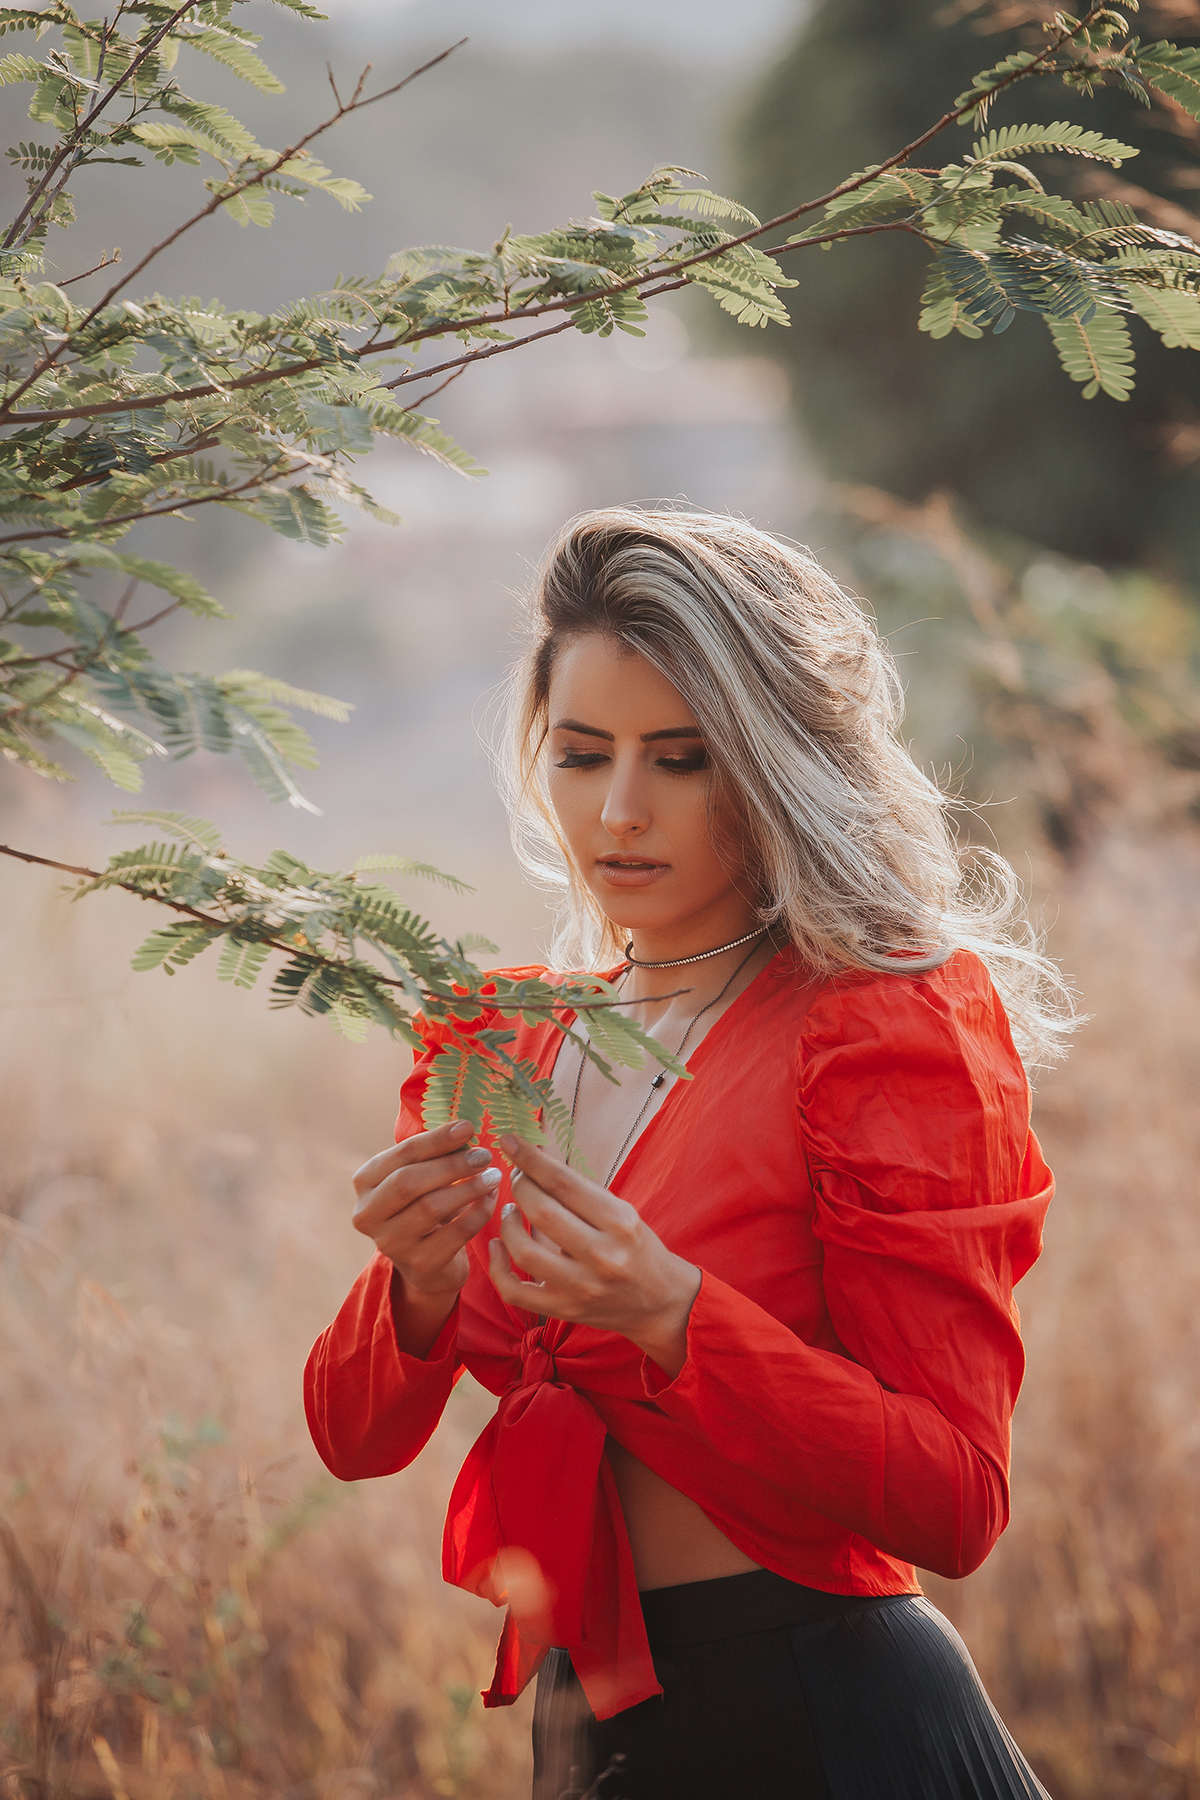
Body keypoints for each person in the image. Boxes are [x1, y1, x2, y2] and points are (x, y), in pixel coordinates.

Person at [304, 507, 1071, 1800]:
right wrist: (416, 1283)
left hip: (826, 1717)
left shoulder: (875, 1022)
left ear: (772, 765)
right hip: (591, 1722)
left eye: (681, 759)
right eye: (582, 754)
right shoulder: (499, 1039)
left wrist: (675, 1317)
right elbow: (353, 1437)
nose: (618, 812)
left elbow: (958, 1501)